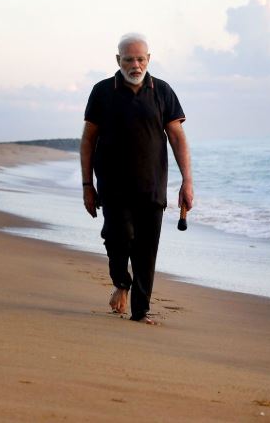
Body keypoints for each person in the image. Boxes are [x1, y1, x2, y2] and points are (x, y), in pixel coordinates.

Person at [80, 33, 193, 324]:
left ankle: (140, 311)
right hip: (113, 187)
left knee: (146, 250)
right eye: (128, 59)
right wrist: (86, 186)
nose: (135, 64)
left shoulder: (163, 91)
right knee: (117, 239)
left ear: (149, 60)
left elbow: (177, 138)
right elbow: (88, 140)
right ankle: (121, 282)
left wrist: (187, 182)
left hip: (152, 186)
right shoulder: (102, 91)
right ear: (118, 60)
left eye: (140, 58)